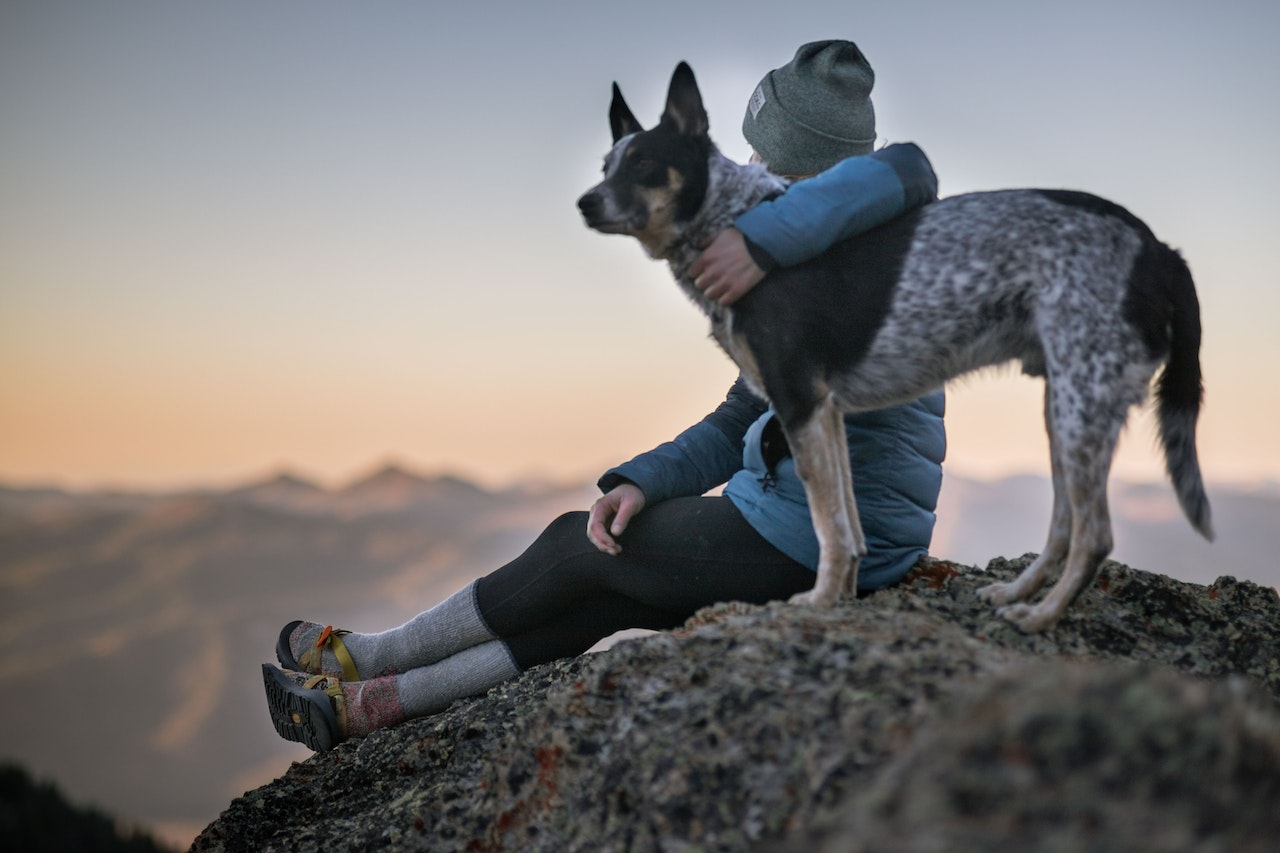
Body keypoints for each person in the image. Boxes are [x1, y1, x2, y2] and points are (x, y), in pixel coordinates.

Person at [263, 40, 947, 752]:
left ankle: (371, 659)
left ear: (805, 169)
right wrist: (643, 481)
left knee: (576, 547)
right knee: (602, 587)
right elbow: (742, 412)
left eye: (761, 155)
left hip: (828, 538)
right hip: (798, 517)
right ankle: (366, 707)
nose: (745, 168)